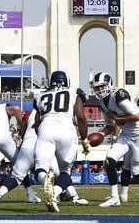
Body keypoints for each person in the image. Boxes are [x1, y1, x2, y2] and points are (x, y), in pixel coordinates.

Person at [92, 72, 139, 208]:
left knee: (137, 173)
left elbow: (137, 116)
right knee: (108, 160)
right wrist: (98, 135)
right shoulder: (101, 102)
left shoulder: (119, 95)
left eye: (102, 86)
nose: (100, 89)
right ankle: (114, 198)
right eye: (97, 87)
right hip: (126, 135)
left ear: (109, 84)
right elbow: (110, 127)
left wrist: (117, 119)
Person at [32, 70, 90, 212]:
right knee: (65, 171)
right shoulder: (74, 92)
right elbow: (81, 116)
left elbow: (37, 122)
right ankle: (54, 193)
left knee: (39, 168)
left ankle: (46, 182)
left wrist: (41, 136)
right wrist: (85, 140)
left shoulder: (40, 95)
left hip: (45, 129)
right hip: (66, 129)